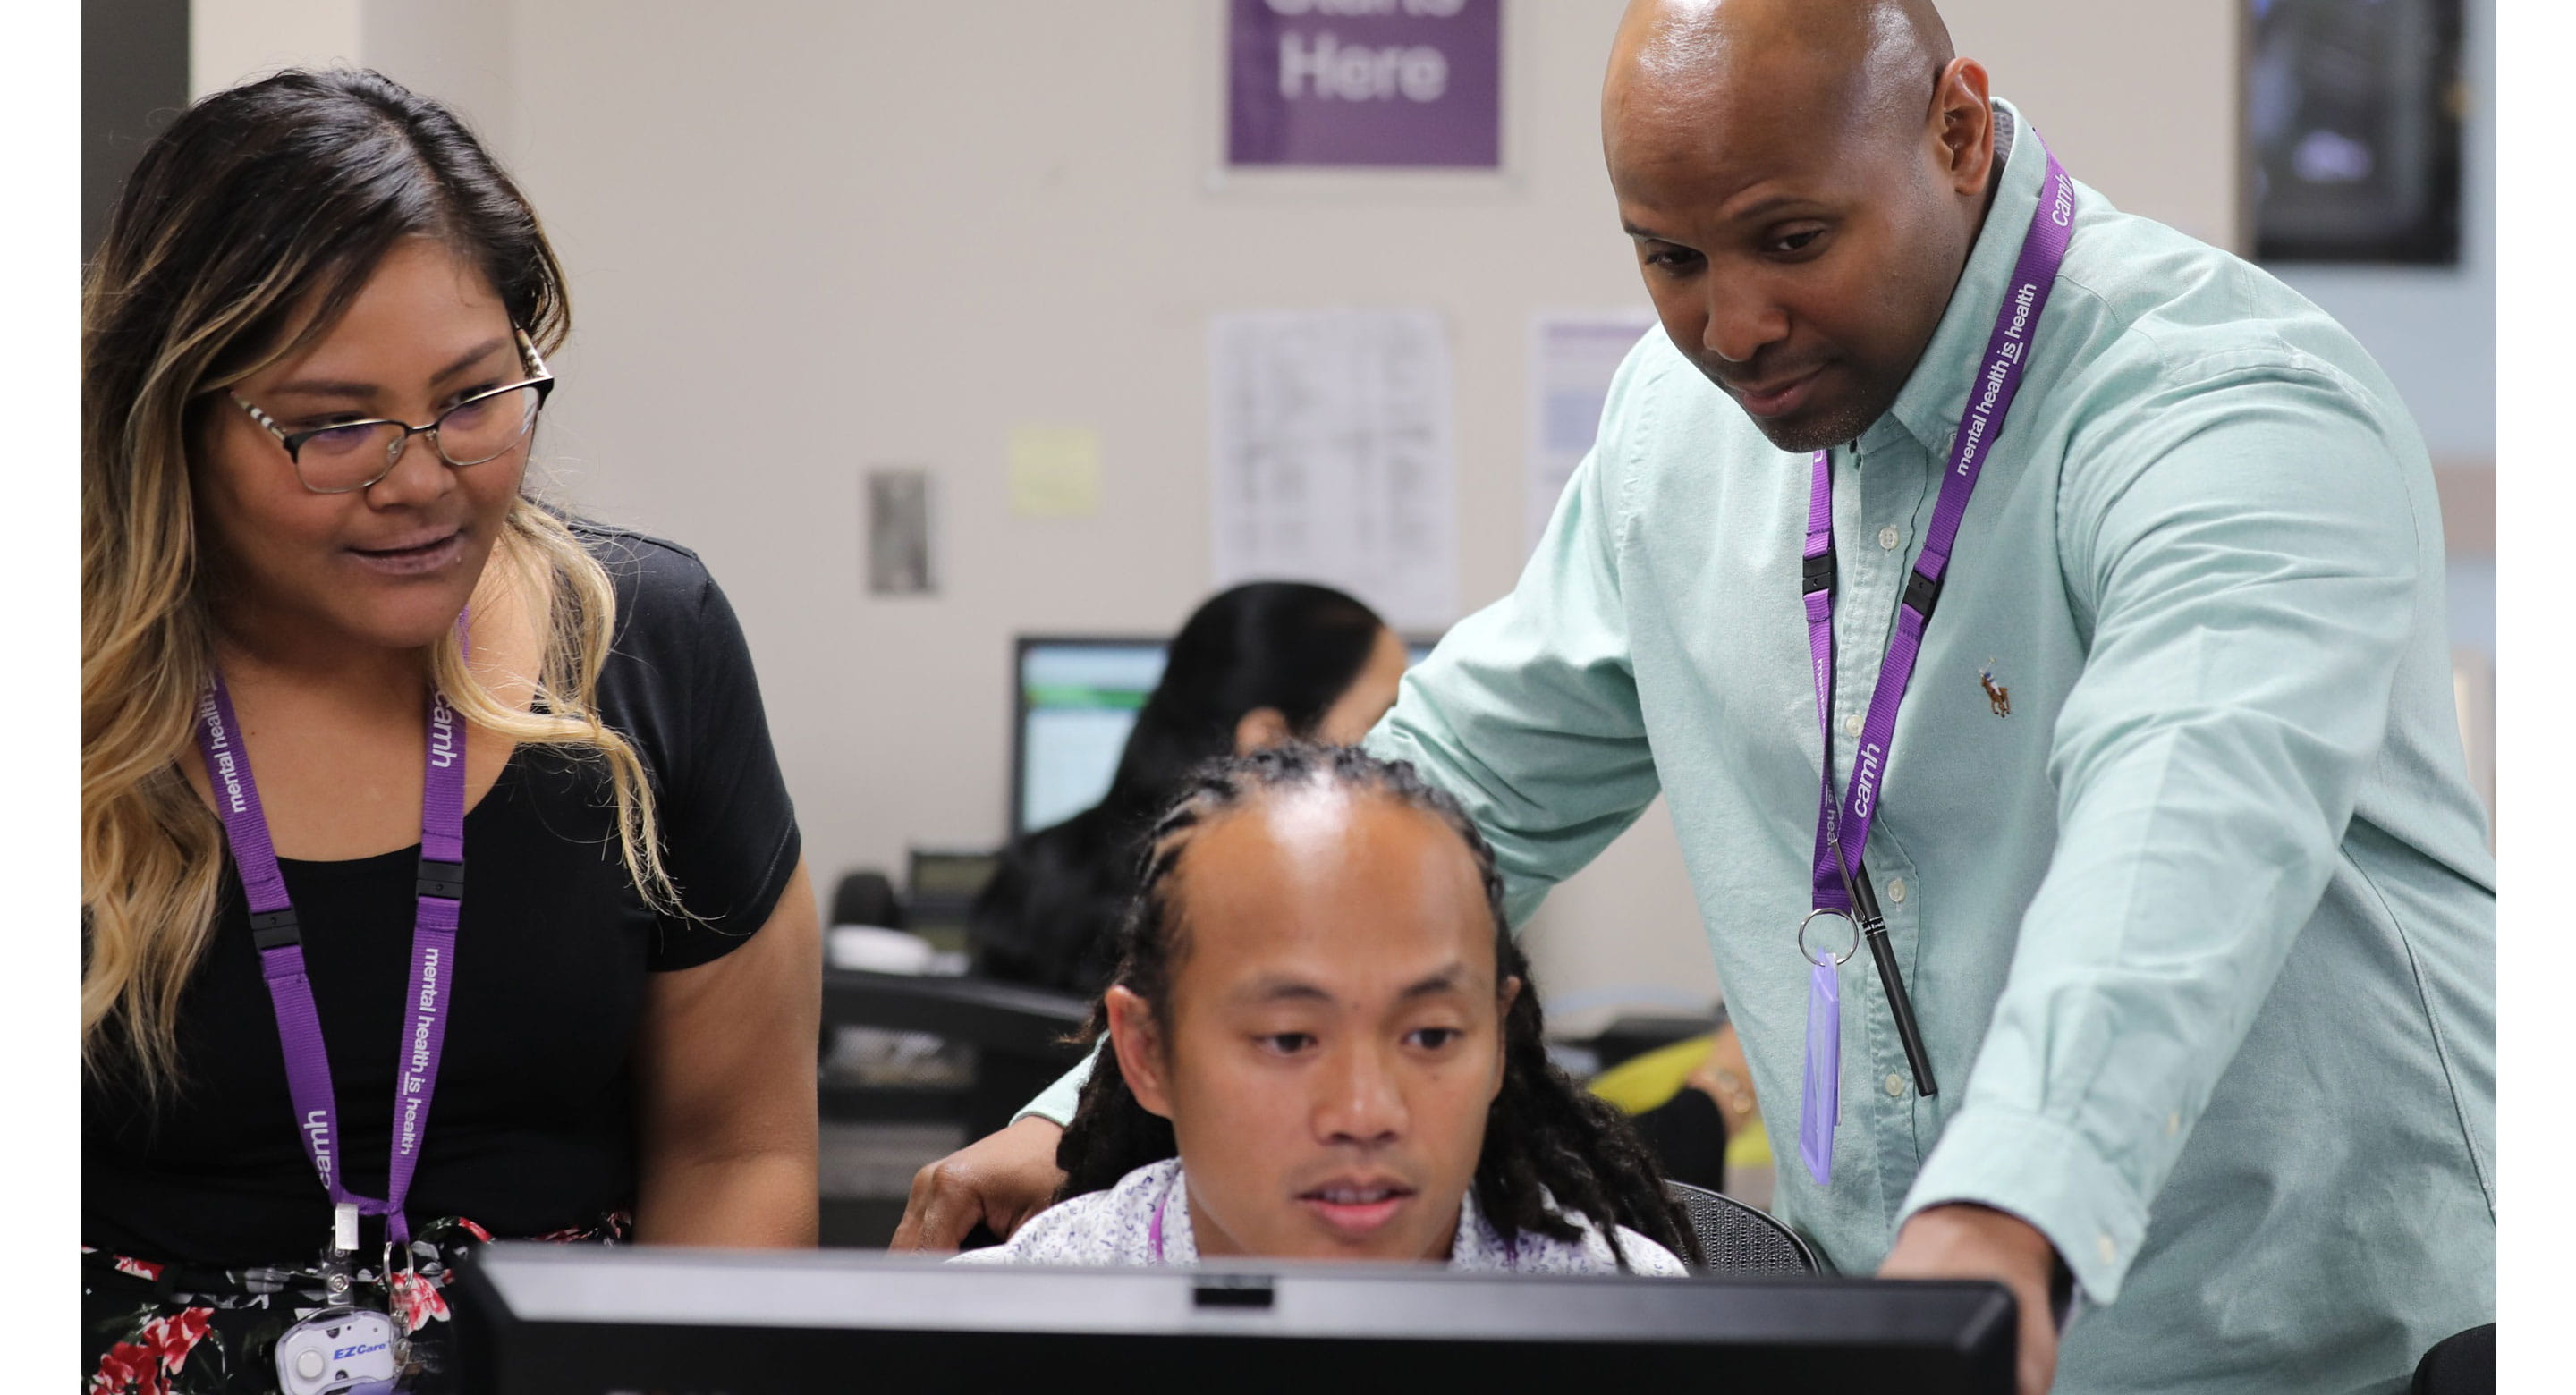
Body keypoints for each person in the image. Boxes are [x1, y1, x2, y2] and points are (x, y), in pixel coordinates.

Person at [895, 4, 2496, 1391]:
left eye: (1792, 240)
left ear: (1952, 130)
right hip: (1909, 1329)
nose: (1732, 327)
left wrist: (2011, 1203)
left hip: (2325, 1342)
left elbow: (2186, 834)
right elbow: (1451, 788)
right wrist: (1094, 1117)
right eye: (1669, 257)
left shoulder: (2222, 404)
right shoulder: (1681, 430)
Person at [81, 71, 821, 1392]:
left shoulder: (648, 646)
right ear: (176, 419)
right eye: (334, 426)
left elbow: (736, 1155)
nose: (419, 478)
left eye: (474, 400)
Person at [957, 744, 1692, 1274]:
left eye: (1432, 1035)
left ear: (1499, 1041)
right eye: (1288, 1040)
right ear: (1148, 1054)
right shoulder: (1007, 1333)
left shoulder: (1629, 1322)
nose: (1366, 1112)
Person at [970, 582, 1409, 994]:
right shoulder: (1280, 923)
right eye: (1385, 719)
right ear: (1271, 741)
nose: (1405, 749)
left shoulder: (1031, 879)